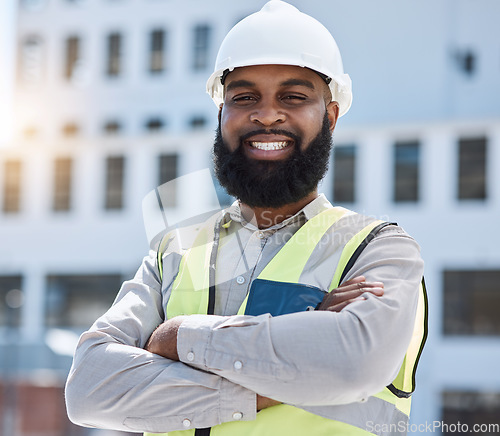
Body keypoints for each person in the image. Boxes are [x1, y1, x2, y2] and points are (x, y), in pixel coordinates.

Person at [65, 1, 427, 435]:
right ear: (222, 116)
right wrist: (287, 365)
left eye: (293, 97)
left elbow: (353, 363)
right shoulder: (172, 253)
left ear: (329, 116)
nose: (267, 113)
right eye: (244, 97)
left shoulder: (379, 250)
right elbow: (89, 388)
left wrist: (177, 337)